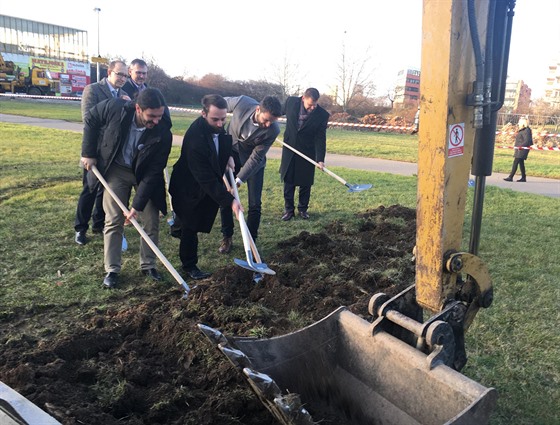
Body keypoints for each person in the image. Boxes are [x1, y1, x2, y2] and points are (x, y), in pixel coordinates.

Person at [80, 88, 173, 289]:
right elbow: (91, 118)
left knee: (150, 221)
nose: (156, 120)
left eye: (160, 115)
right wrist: (88, 152)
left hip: (145, 174)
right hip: (117, 169)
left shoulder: (163, 132)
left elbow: (154, 172)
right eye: (152, 116)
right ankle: (112, 269)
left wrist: (136, 206)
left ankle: (148, 265)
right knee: (113, 220)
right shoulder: (115, 108)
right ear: (138, 108)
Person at [169, 95, 242, 280]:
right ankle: (190, 265)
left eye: (223, 119)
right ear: (203, 114)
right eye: (215, 119)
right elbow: (206, 179)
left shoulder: (216, 124)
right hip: (188, 185)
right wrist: (230, 200)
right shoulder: (195, 139)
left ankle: (177, 224)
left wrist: (229, 156)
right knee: (190, 225)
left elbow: (223, 140)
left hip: (203, 181)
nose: (220, 123)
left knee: (194, 220)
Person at [74, 60, 130, 245]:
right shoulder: (93, 90)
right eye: (119, 74)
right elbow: (89, 118)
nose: (123, 78)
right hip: (95, 150)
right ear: (109, 72)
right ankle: (80, 229)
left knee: (106, 189)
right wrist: (116, 104)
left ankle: (99, 224)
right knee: (89, 189)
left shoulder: (125, 95)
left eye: (125, 76)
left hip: (113, 152)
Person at [218, 95, 282, 254]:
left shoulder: (273, 130)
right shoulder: (242, 102)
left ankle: (251, 241)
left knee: (255, 203)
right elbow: (219, 104)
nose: (268, 125)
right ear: (258, 109)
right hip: (230, 154)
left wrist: (239, 180)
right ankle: (227, 237)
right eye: (266, 120)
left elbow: (257, 157)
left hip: (252, 163)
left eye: (271, 122)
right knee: (226, 197)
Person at [279, 88, 330, 221]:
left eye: (315, 104)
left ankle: (303, 209)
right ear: (303, 98)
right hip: (290, 148)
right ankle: (289, 210)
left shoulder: (322, 115)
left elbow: (320, 137)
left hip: (308, 150)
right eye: (310, 104)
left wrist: (320, 159)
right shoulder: (291, 102)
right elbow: (276, 112)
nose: (313, 107)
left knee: (305, 182)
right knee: (288, 181)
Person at [504, 117, 533, 182]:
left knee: (516, 162)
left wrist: (521, 146)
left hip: (522, 149)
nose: (518, 123)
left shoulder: (527, 130)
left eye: (520, 122)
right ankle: (523, 177)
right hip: (519, 149)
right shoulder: (522, 130)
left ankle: (510, 177)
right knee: (521, 163)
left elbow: (527, 140)